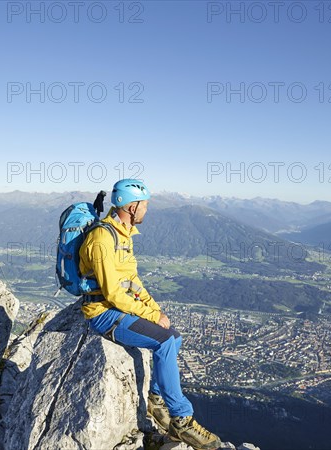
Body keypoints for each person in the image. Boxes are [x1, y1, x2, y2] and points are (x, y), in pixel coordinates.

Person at [79, 179, 221, 450]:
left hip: (117, 309)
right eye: (144, 205)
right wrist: (150, 315)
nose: (147, 210)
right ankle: (181, 418)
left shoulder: (123, 234)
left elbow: (132, 281)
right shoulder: (102, 239)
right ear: (131, 207)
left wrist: (155, 310)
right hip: (103, 314)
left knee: (174, 338)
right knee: (164, 341)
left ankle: (155, 400)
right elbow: (113, 294)